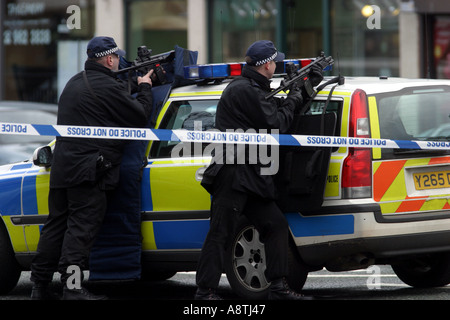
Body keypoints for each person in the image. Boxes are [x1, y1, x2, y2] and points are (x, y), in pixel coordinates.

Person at [195, 40, 323, 300]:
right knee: (220, 233)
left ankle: (278, 287)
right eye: (275, 62)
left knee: (275, 225)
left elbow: (279, 112)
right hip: (233, 173)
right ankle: (204, 292)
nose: (276, 66)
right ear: (267, 65)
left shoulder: (256, 88)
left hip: (251, 175)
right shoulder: (244, 90)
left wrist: (306, 88)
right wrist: (295, 95)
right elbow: (277, 123)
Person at [30, 36, 154, 300]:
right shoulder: (108, 86)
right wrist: (144, 87)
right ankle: (72, 288)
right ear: (110, 59)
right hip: (89, 171)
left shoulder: (74, 82)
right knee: (80, 230)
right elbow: (140, 116)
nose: (119, 62)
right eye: (117, 58)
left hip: (62, 168)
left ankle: (38, 286)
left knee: (55, 227)